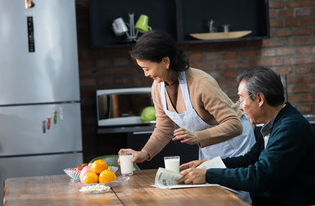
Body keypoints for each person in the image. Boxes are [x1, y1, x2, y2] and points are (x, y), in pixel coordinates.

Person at [178, 66, 315, 205]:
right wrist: (208, 165)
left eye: (241, 98)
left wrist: (208, 175)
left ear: (260, 98)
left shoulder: (290, 127)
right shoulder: (276, 122)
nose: (240, 107)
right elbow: (250, 159)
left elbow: (260, 176)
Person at [119, 29, 255, 162]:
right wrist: (144, 153)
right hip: (210, 147)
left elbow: (234, 125)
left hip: (238, 145)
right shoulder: (157, 87)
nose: (146, 74)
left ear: (165, 62)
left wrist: (197, 137)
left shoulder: (201, 84)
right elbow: (164, 128)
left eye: (147, 69)